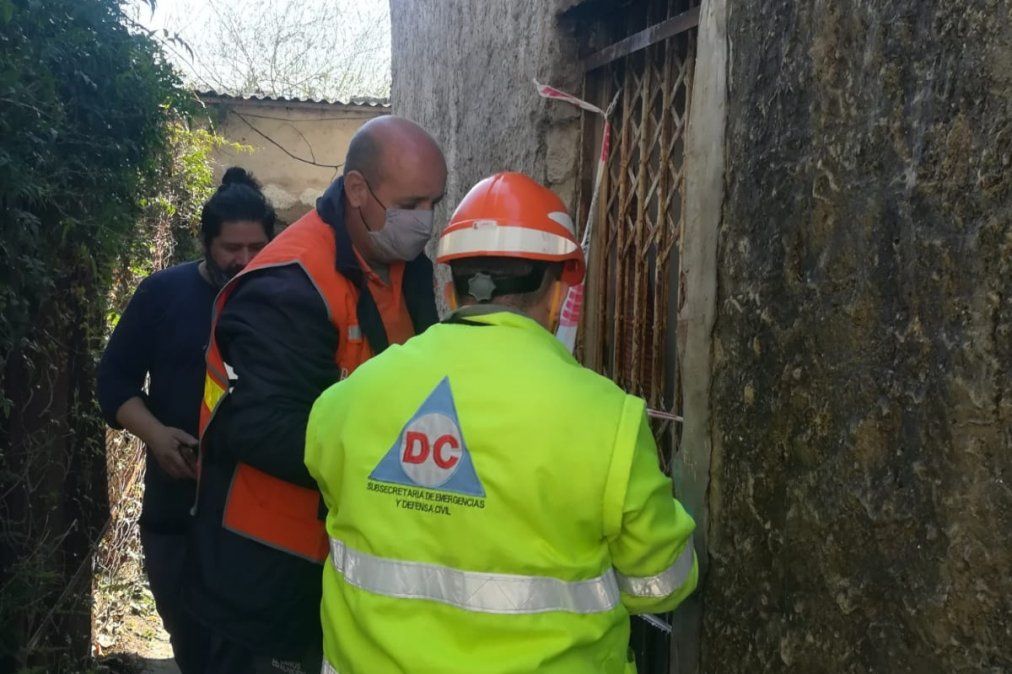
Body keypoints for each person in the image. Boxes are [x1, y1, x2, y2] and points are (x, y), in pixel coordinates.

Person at [305, 172, 698, 674]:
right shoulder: (608, 420)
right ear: (558, 292)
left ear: (450, 289)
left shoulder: (345, 402)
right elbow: (660, 582)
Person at [184, 116, 446, 673]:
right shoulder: (289, 282)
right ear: (356, 190)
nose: (424, 222)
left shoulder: (406, 268)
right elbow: (259, 425)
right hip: (269, 571)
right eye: (411, 204)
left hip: (351, 559)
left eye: (433, 204)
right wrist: (400, 457)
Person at [97, 167, 275, 673]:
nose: (244, 261)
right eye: (230, 248)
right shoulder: (162, 294)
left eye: (257, 247)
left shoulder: (286, 302)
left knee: (246, 656)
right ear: (206, 242)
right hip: (174, 516)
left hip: (258, 522)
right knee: (193, 650)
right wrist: (154, 435)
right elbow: (113, 381)